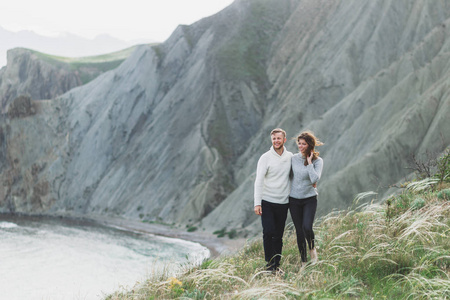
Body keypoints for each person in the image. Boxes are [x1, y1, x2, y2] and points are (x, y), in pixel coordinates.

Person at [254, 128, 293, 271]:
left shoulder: (290, 157)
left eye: (279, 138)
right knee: (268, 232)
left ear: (284, 140)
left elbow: (294, 176)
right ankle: (269, 264)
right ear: (272, 140)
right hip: (267, 201)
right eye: (274, 139)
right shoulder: (265, 157)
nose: (276, 141)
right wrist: (257, 203)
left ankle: (277, 265)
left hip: (283, 202)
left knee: (278, 236)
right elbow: (258, 180)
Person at [289, 131, 323, 267]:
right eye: (299, 143)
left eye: (304, 144)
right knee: (299, 232)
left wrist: (309, 163)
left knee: (307, 227)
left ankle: (312, 249)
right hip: (294, 200)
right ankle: (303, 262)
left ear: (310, 145)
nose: (301, 146)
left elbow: (315, 179)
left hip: (309, 198)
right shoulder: (293, 158)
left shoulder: (318, 161)